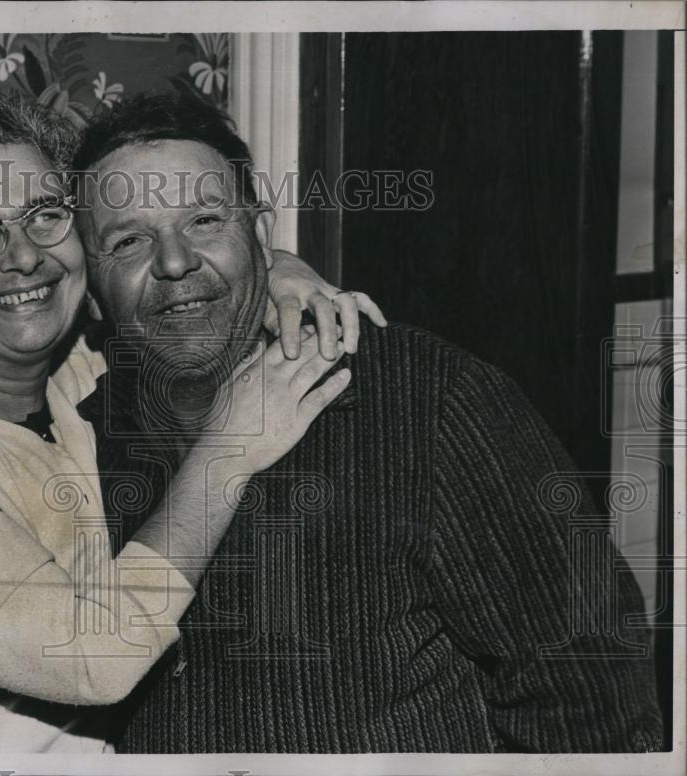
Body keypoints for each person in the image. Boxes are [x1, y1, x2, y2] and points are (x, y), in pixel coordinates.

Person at [70, 92, 665, 753]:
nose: (175, 262)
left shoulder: (427, 400)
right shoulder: (75, 447)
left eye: (206, 221)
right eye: (128, 240)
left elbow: (589, 693)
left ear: (261, 236)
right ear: (90, 284)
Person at [0, 87, 382, 753]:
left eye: (44, 216)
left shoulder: (77, 375)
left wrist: (280, 272)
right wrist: (228, 449)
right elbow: (94, 657)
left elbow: (179, 272)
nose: (21, 256)